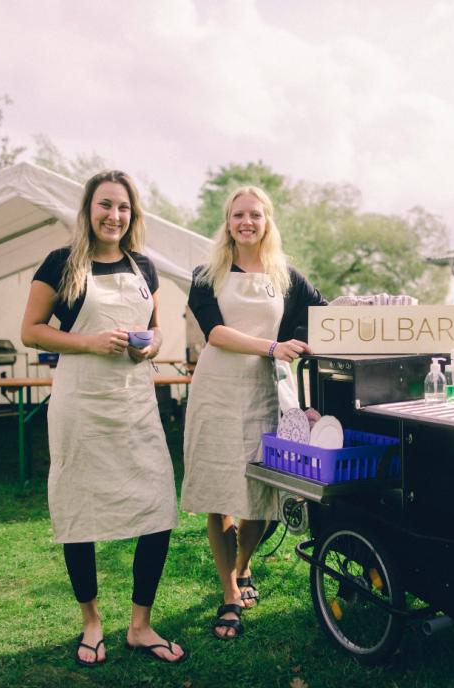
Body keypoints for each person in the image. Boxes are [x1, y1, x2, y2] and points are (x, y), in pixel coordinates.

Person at [20, 170, 186, 665]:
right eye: (105, 205)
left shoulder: (145, 268)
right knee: (79, 511)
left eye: (123, 208)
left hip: (134, 402)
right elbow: (30, 331)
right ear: (88, 210)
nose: (114, 216)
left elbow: (157, 332)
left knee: (157, 508)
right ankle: (91, 621)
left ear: (133, 215)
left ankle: (140, 624)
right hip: (81, 404)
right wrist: (91, 342)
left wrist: (148, 346)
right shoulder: (60, 263)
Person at [180, 186, 327, 639]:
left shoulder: (286, 276)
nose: (247, 222)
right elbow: (216, 332)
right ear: (227, 222)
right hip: (218, 394)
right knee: (220, 492)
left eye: (256, 215)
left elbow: (323, 319)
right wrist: (271, 346)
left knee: (261, 493)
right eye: (238, 215)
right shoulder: (207, 274)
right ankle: (228, 592)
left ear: (267, 222)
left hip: (268, 394)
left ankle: (243, 566)